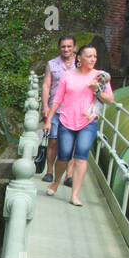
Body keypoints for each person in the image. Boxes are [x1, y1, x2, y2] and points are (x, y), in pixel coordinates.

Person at [44, 44, 114, 207]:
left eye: (95, 56)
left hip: (88, 121)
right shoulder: (68, 76)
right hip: (66, 120)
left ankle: (74, 195)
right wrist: (49, 120)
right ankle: (56, 181)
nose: (93, 59)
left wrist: (97, 90)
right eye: (89, 56)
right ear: (79, 58)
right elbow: (57, 100)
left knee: (81, 156)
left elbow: (110, 99)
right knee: (64, 155)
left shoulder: (100, 77)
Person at [41, 35, 77, 185]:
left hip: (74, 110)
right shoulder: (52, 64)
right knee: (53, 141)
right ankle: (49, 172)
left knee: (71, 144)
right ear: (59, 48)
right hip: (56, 109)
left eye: (69, 46)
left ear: (74, 47)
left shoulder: (80, 63)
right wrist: (45, 106)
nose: (66, 49)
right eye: (63, 46)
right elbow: (46, 85)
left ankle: (69, 175)